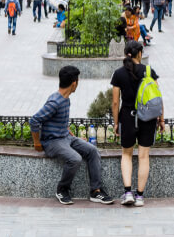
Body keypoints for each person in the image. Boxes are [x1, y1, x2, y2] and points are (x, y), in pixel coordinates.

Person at [30, 65, 114, 206]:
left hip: (65, 137)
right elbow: (34, 120)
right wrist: (37, 143)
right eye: (78, 80)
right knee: (75, 158)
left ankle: (95, 191)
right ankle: (62, 189)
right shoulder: (54, 102)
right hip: (53, 142)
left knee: (92, 150)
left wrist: (73, 136)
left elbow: (60, 121)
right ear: (74, 83)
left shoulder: (65, 98)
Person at [110, 41, 162, 207]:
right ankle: (140, 196)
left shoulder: (118, 73)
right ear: (139, 53)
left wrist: (116, 123)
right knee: (143, 156)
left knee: (126, 154)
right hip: (147, 118)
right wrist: (161, 118)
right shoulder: (148, 71)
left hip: (127, 116)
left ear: (126, 54)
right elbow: (157, 97)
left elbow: (115, 102)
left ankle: (127, 193)